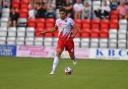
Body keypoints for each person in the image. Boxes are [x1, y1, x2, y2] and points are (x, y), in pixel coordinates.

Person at [41, 8, 78, 74]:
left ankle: (73, 59)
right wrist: (46, 31)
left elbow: (76, 28)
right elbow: (54, 29)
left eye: (62, 13)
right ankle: (53, 71)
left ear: (65, 13)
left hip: (69, 40)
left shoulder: (70, 20)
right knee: (58, 53)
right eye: (60, 13)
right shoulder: (58, 21)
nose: (61, 15)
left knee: (71, 56)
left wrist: (74, 35)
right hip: (61, 40)